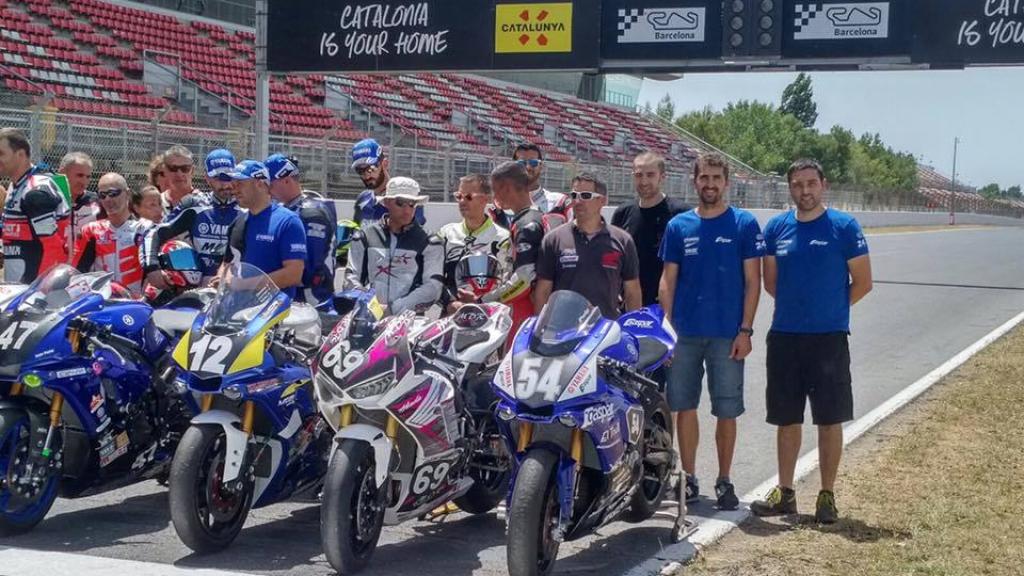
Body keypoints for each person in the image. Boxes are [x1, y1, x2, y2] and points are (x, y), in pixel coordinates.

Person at [751, 159, 872, 524]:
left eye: (811, 183)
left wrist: (832, 309)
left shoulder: (844, 226)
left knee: (829, 419)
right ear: (790, 188)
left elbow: (863, 282)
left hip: (829, 339)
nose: (805, 191)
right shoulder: (777, 228)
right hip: (786, 336)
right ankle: (786, 492)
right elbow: (771, 283)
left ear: (823, 184)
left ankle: (826, 495)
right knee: (787, 419)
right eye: (798, 184)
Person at [658, 154, 764, 510]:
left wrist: (745, 330)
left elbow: (753, 282)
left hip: (727, 335)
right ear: (694, 181)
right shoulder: (679, 226)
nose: (710, 184)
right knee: (683, 408)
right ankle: (688, 478)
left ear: (727, 182)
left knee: (726, 411)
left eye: (717, 177)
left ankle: (724, 479)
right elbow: (667, 281)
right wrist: (667, 330)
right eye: (704, 177)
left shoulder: (744, 224)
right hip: (685, 335)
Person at [534, 172, 640, 319]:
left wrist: (633, 329)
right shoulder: (553, 239)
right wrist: (540, 332)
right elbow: (543, 290)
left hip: (605, 332)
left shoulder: (623, 241)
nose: (577, 201)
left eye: (585, 196)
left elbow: (632, 291)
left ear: (602, 200)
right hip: (562, 332)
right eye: (574, 195)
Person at [141, 149, 243, 288]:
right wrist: (152, 268)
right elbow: (155, 233)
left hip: (237, 287)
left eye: (228, 177)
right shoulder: (194, 204)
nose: (225, 184)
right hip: (198, 289)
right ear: (207, 178)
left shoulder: (247, 208)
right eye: (218, 178)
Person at [345, 176, 443, 315]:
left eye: (412, 203)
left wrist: (393, 309)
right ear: (386, 202)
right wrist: (371, 307)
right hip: (367, 317)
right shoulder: (364, 236)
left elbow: (433, 287)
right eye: (400, 202)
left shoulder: (430, 241)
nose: (407, 210)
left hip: (410, 323)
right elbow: (351, 278)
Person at [612, 151, 690, 306]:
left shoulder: (681, 214)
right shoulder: (622, 213)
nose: (644, 181)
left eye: (650, 175)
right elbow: (613, 260)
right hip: (630, 308)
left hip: (669, 309)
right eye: (639, 175)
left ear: (662, 177)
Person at [220, 160, 306, 296]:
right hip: (237, 308)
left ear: (260, 183)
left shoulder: (288, 222)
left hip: (274, 312)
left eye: (240, 184)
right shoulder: (238, 222)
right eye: (233, 184)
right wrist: (223, 279)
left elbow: (293, 274)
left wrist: (244, 285)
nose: (234, 189)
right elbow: (228, 263)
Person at [0, 127, 71, 283]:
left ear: (20, 154)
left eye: (1, 153)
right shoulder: (16, 186)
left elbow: (54, 249)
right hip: (17, 289)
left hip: (34, 296)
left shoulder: (35, 191)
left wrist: (37, 293)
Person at [266, 153, 337, 305]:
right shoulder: (283, 209)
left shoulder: (312, 213)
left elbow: (308, 268)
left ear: (286, 180)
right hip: (288, 295)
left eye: (270, 185)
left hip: (313, 298)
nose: (268, 191)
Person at [486, 161, 545, 335]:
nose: (494, 196)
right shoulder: (533, 216)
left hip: (525, 310)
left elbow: (524, 279)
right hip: (528, 307)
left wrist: (487, 299)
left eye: (495, 189)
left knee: (511, 361)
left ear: (506, 187)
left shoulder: (527, 223)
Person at [437, 174, 510, 313]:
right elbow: (433, 276)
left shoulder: (502, 238)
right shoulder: (445, 233)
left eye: (469, 197)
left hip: (489, 314)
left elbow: (506, 282)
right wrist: (449, 302)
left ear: (487, 198)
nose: (462, 201)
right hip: (451, 313)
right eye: (459, 196)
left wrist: (481, 302)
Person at [72, 173, 152, 296]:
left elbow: (154, 273)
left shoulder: (145, 229)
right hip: (102, 303)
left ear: (127, 194)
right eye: (102, 195)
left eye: (113, 193)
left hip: (136, 304)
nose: (108, 200)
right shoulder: (91, 230)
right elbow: (77, 272)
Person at [350, 138, 424, 227]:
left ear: (384, 164)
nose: (366, 176)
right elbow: (356, 232)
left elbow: (414, 237)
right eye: (360, 171)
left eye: (370, 169)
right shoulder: (363, 199)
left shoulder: (407, 198)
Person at [58, 151, 102, 259]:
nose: (84, 181)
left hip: (86, 271)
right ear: (62, 173)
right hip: (54, 269)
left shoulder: (97, 202)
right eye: (79, 175)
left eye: (88, 177)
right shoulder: (49, 200)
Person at [514, 143, 572, 220]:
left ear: (541, 166)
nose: (528, 167)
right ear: (513, 167)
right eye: (521, 163)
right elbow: (492, 231)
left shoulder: (559, 202)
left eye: (533, 163)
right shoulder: (500, 205)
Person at [160, 145, 200, 212]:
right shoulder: (155, 204)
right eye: (173, 168)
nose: (179, 174)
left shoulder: (205, 204)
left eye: (185, 168)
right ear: (164, 171)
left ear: (192, 171)